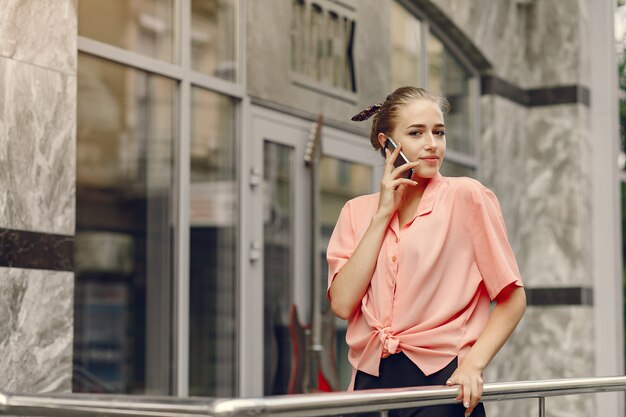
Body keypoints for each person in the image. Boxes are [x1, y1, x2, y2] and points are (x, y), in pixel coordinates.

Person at [326, 86, 526, 417]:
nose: (433, 144)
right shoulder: (356, 211)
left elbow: (512, 297)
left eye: (439, 132)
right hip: (368, 382)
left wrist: (473, 366)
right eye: (417, 133)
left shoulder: (467, 197)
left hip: (442, 383)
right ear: (386, 142)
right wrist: (382, 215)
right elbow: (342, 303)